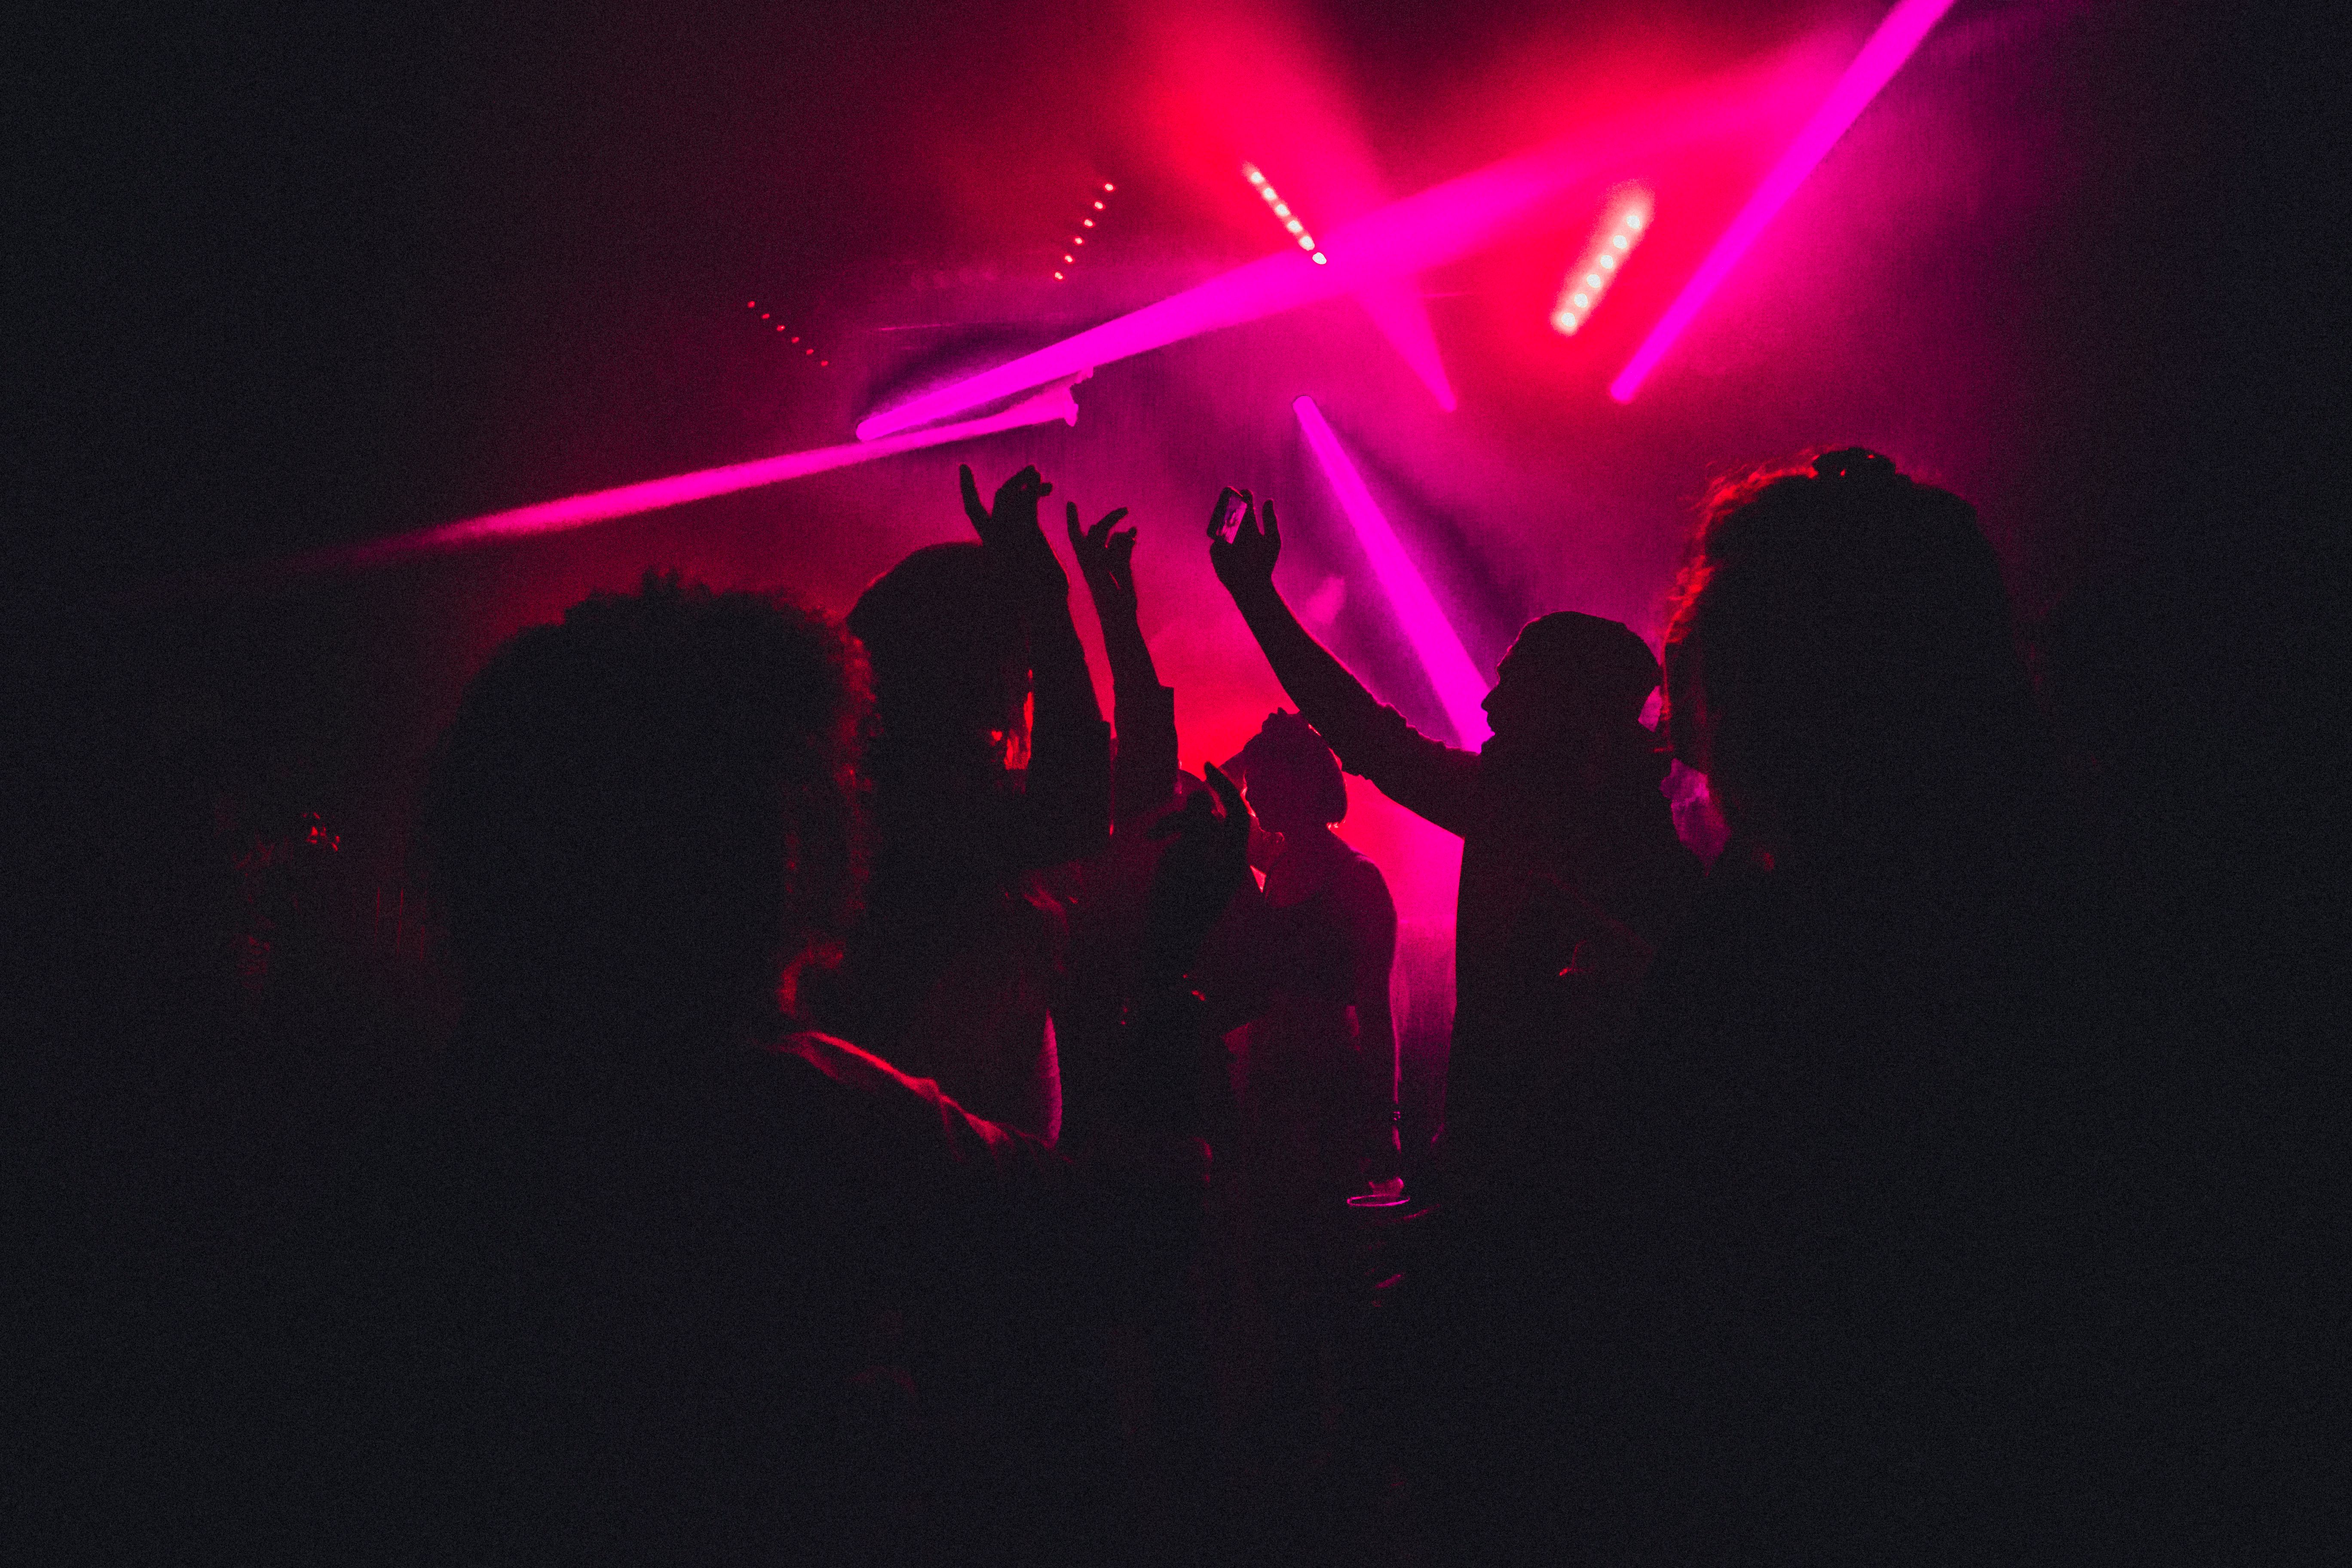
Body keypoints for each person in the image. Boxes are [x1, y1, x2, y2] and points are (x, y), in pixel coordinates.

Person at [174, 570, 1251, 1563]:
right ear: (753, 838)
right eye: (829, 781)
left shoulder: (419, 1128)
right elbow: (1131, 1221)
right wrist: (1170, 968)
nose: (853, 809)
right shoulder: (794, 1111)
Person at [1459, 449, 2094, 1557]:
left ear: (1788, 687)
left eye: (1728, 658)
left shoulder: (1785, 938)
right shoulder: (2067, 890)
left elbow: (1695, 1334)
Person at [1205, 486, 1698, 1206]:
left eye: (1514, 691)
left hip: (1545, 1190)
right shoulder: (1635, 844)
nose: (1489, 708)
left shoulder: (1531, 814)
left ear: (1569, 713)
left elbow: (1365, 734)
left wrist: (1257, 598)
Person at [807, 465, 1119, 1140]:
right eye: (1015, 647)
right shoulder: (909, 809)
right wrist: (1047, 594)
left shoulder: (895, 794)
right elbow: (1077, 807)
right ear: (958, 661)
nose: (1029, 670)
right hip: (937, 1202)